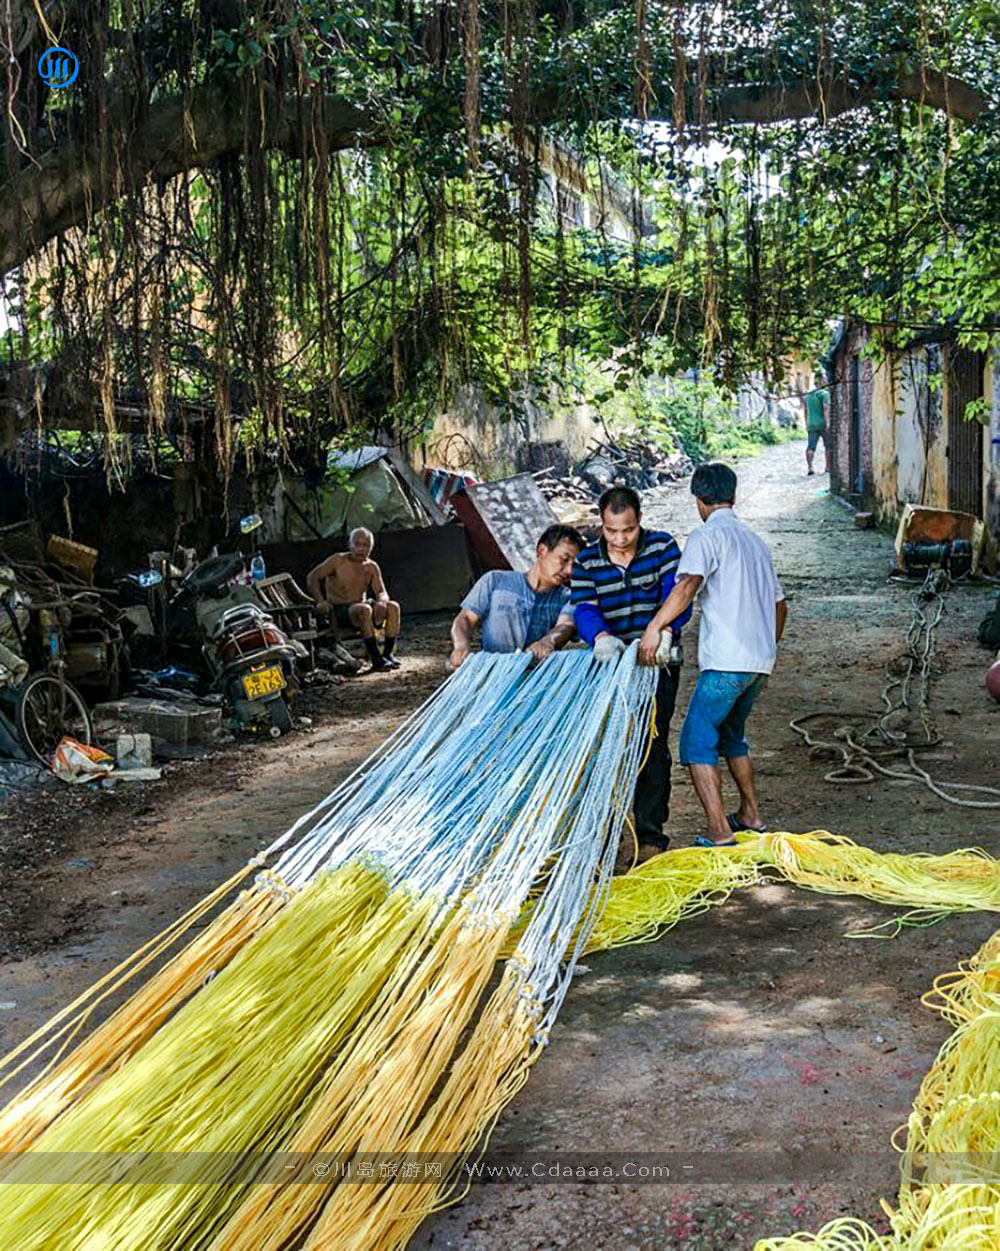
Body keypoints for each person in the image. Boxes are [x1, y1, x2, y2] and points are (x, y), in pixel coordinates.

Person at [638, 463, 787, 847]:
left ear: (699, 501)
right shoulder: (755, 542)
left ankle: (720, 830)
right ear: (733, 497)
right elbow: (780, 605)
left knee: (696, 741)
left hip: (726, 661)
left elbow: (687, 585)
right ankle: (751, 815)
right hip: (759, 662)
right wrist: (767, 647)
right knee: (732, 737)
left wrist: (655, 627)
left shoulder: (706, 537)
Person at [570, 486, 692, 858]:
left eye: (628, 530)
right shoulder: (587, 562)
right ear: (601, 525)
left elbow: (678, 596)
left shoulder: (662, 547)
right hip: (609, 666)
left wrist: (666, 632)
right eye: (611, 531)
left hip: (657, 666)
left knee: (652, 748)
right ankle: (603, 835)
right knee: (606, 747)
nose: (620, 539)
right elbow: (584, 608)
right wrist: (601, 637)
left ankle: (650, 836)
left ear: (640, 521)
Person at [450, 524, 584, 667]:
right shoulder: (495, 581)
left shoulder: (570, 598)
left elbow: (565, 625)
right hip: (493, 674)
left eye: (574, 565)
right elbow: (465, 618)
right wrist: (461, 645)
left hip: (535, 679)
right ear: (542, 551)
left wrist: (548, 641)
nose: (569, 570)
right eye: (564, 559)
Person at [306, 527, 401, 672]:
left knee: (393, 606)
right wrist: (320, 601)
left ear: (371, 547)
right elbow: (312, 577)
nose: (361, 549)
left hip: (363, 607)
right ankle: (376, 658)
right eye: (357, 544)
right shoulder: (338, 560)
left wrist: (382, 601)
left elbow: (381, 591)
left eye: (366, 545)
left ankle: (388, 654)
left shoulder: (371, 566)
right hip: (340, 610)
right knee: (364, 609)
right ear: (350, 545)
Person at [804, 375, 830, 476]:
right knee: (828, 446)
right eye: (825, 380)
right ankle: (827, 467)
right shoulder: (824, 394)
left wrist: (806, 423)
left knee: (811, 447)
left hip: (811, 424)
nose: (827, 381)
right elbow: (825, 408)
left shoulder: (808, 395)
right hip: (822, 424)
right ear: (822, 382)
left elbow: (805, 411)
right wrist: (827, 423)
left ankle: (810, 467)